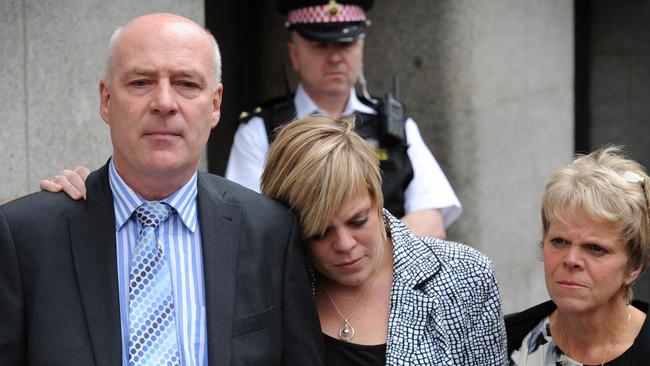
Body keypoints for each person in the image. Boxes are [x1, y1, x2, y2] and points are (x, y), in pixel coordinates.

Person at [0, 13, 323, 365]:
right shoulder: (25, 237)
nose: (165, 103)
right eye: (141, 82)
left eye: (186, 84)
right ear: (106, 100)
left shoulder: (272, 232)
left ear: (214, 105)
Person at [260, 115, 507, 364]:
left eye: (357, 221)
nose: (345, 244)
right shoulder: (266, 287)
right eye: (319, 233)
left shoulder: (466, 274)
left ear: (377, 200)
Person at [225, 0, 461, 238]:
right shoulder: (261, 129)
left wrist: (368, 258)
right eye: (320, 45)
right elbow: (249, 227)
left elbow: (431, 221)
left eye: (346, 44)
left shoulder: (394, 124)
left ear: (361, 49)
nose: (335, 57)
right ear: (295, 55)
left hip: (391, 274)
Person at [505, 146, 650, 365]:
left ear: (634, 266)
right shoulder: (504, 342)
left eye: (595, 248)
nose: (571, 260)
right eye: (559, 242)